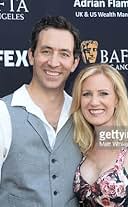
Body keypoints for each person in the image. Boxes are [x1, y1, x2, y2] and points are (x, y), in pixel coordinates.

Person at [0, 16, 82, 207]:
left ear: (75, 62)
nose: (54, 62)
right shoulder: (3, 113)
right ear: (31, 55)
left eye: (64, 54)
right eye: (46, 51)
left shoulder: (83, 113)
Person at [71, 63, 128, 206]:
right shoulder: (81, 146)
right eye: (86, 94)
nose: (94, 102)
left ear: (117, 100)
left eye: (103, 93)